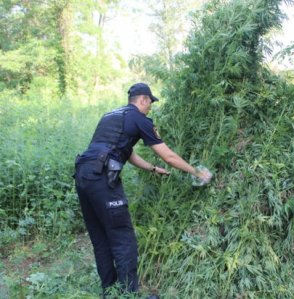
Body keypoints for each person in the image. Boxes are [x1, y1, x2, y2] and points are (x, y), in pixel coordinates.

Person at [74, 83, 212, 298]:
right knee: (123, 237)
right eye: (150, 103)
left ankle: (109, 292)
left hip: (84, 175)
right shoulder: (139, 118)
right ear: (143, 99)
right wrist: (196, 172)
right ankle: (129, 294)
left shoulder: (112, 116)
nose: (150, 108)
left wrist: (152, 168)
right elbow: (169, 156)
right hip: (102, 177)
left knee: (100, 237)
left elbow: (125, 152)